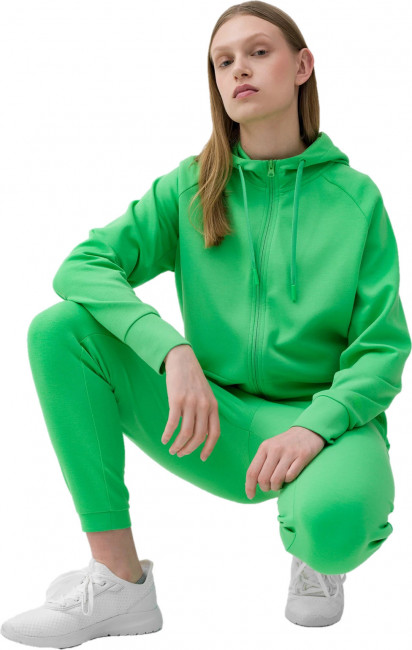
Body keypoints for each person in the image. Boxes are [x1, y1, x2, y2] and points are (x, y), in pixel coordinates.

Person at [2, 1, 411, 646]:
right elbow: (83, 265)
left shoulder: (355, 199)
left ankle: (314, 538)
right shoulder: (194, 186)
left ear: (302, 66)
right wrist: (170, 350)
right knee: (60, 331)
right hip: (213, 422)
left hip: (323, 430)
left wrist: (316, 426)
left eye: (258, 52)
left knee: (335, 526)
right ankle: (118, 581)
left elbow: (382, 347)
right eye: (223, 62)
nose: (238, 70)